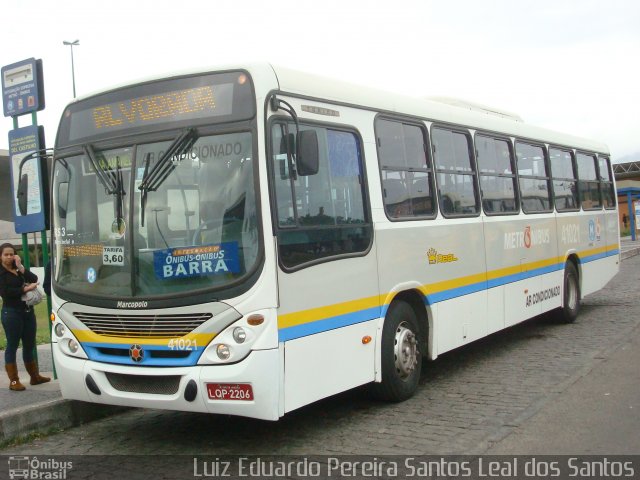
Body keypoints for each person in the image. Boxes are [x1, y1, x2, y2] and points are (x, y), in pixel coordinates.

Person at [0, 243, 50, 391]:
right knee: (12, 345)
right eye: (6, 254)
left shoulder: (17, 269)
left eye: (11, 254)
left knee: (29, 345)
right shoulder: (1, 274)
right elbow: (6, 292)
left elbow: (34, 278)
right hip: (11, 313)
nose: (9, 257)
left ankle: (34, 377)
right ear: (0, 256)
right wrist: (25, 288)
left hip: (27, 311)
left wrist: (20, 266)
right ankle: (14, 380)